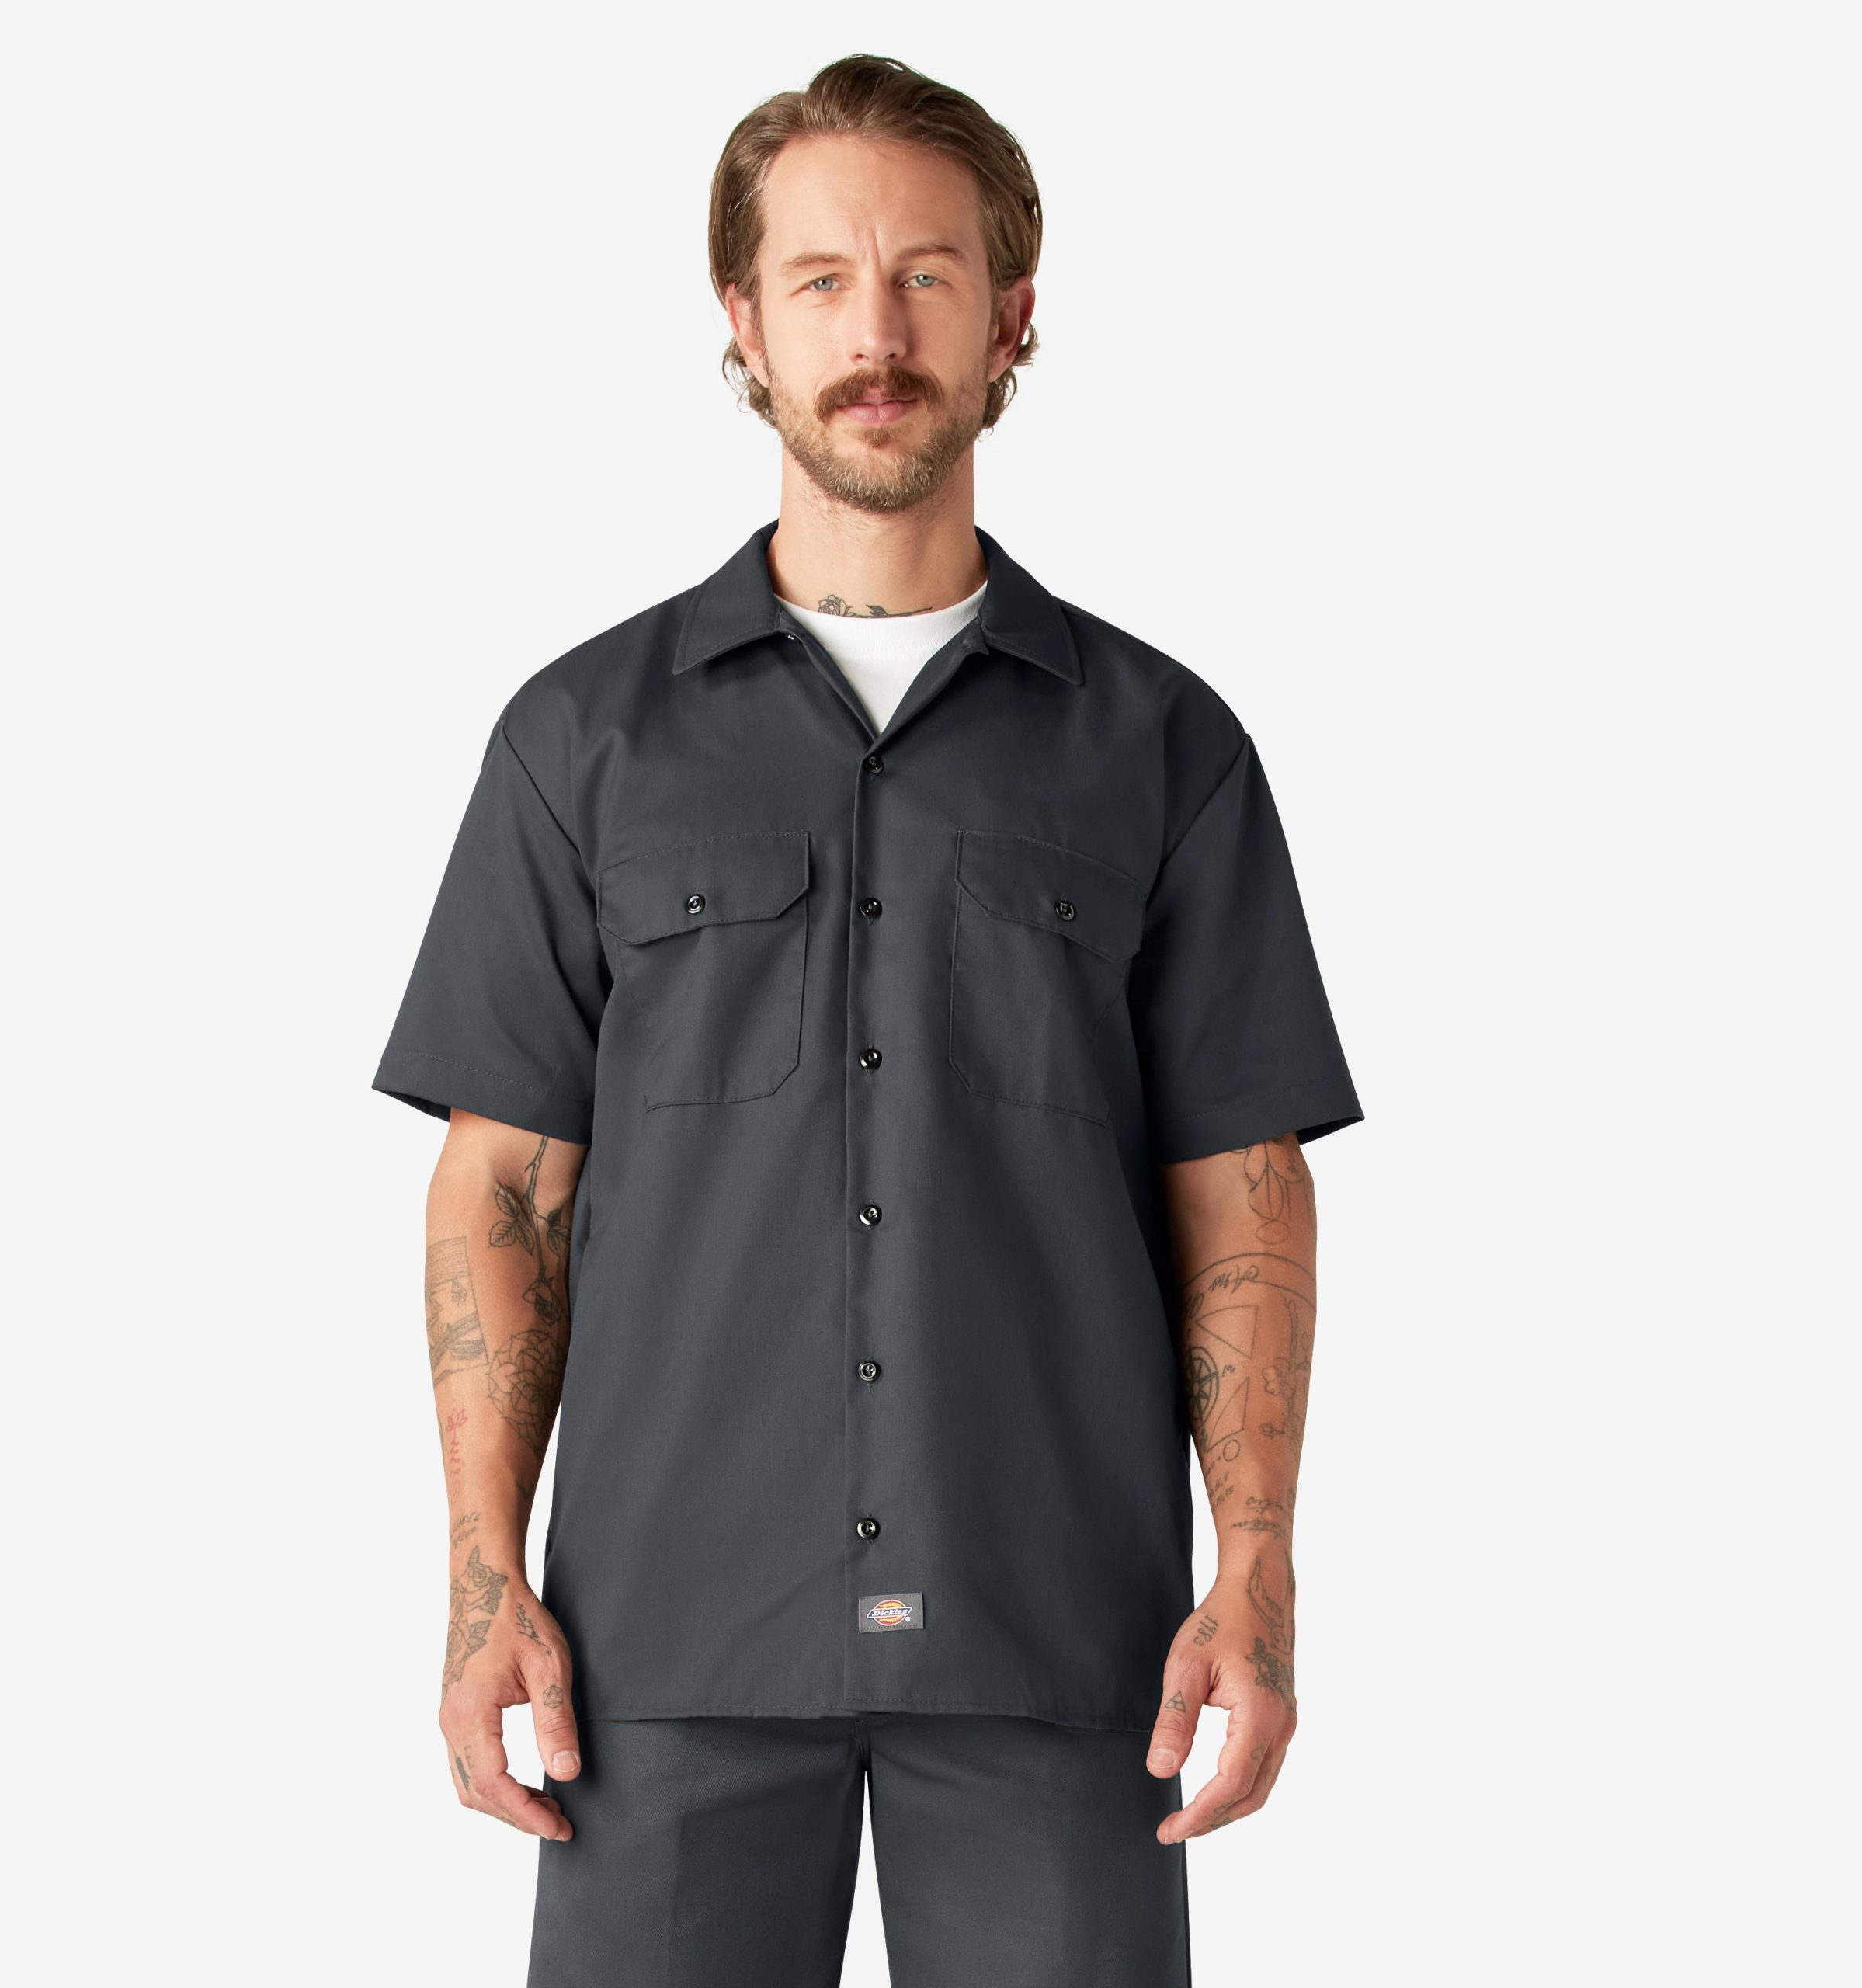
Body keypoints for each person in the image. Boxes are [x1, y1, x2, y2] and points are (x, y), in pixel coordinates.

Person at [373, 51, 1363, 1988]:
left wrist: (1252, 1564)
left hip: (1059, 1643)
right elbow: (501, 1187)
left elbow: (1238, 1189)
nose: (875, 333)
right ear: (742, 323)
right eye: (820, 280)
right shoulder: (580, 740)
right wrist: (483, 1573)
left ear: (1011, 317)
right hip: (657, 1651)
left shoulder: (1162, 747)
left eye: (926, 274)